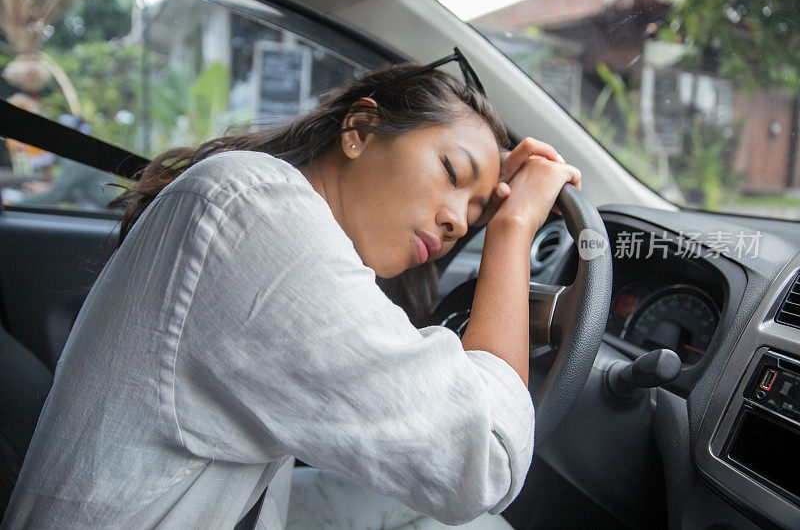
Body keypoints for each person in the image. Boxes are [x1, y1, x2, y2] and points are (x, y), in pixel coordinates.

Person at [2, 49, 580, 528]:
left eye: (477, 211)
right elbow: (488, 460)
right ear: (360, 129)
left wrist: (493, 204)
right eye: (453, 173)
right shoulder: (261, 219)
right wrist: (512, 228)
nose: (459, 221)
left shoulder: (252, 198)